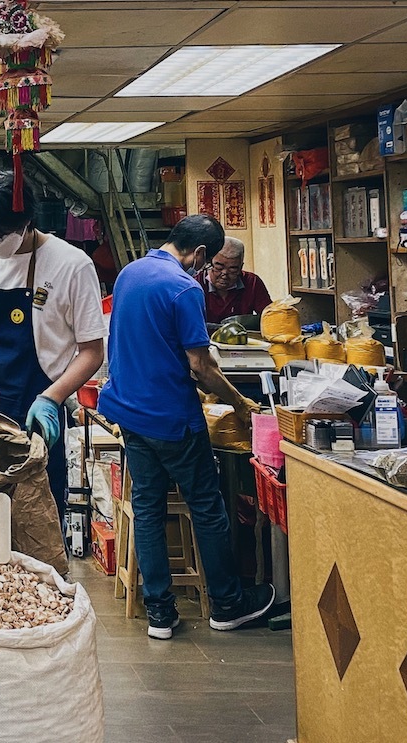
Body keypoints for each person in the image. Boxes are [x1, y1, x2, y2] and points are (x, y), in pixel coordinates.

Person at [97, 214, 276, 639]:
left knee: (148, 508)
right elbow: (201, 365)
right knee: (208, 509)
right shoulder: (184, 288)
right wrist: (240, 402)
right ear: (199, 254)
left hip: (130, 413)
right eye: (208, 260)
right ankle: (228, 604)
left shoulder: (130, 273)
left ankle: (160, 612)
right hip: (172, 419)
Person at [0, 169, 106, 507]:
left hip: (37, 410)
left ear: (24, 223)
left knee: (39, 515)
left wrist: (52, 398)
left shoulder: (72, 265)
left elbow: (92, 351)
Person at [199, 235, 273, 323]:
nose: (224, 274)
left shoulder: (252, 282)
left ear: (240, 267)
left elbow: (269, 317)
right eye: (219, 267)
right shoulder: (197, 284)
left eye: (232, 269)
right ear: (209, 263)